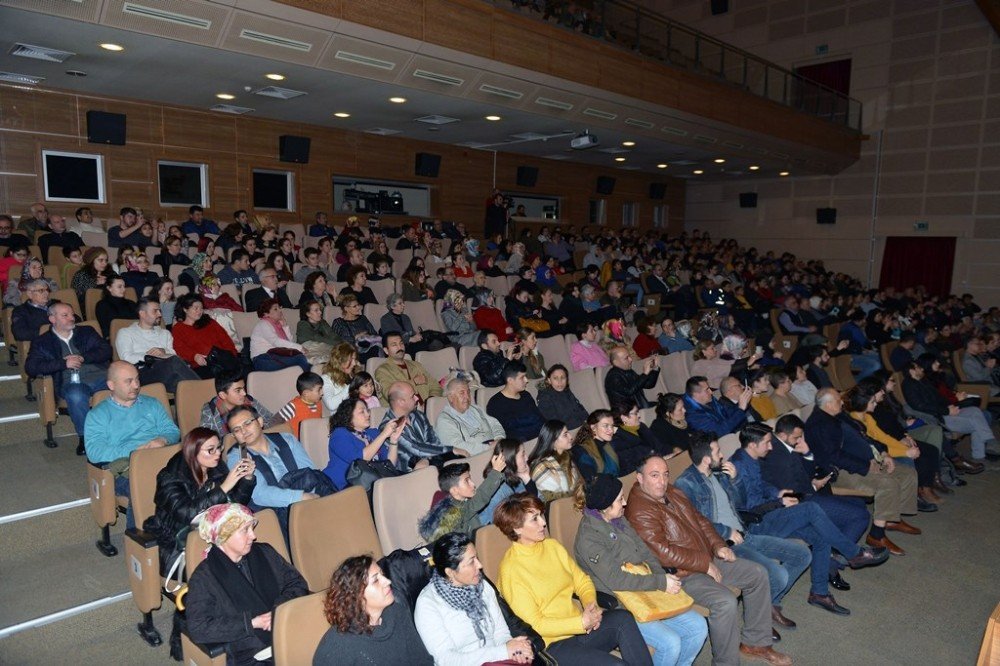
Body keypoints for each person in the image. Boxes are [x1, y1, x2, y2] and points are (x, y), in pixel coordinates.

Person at [625, 454, 790, 666]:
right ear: (639, 478)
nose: (662, 481)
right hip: (680, 574)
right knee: (725, 602)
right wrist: (704, 564)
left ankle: (755, 643)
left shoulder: (671, 491)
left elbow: (700, 520)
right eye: (654, 476)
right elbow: (662, 553)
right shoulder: (639, 509)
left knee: (757, 574)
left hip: (704, 558)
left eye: (665, 474)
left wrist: (718, 545)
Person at [723, 427, 888, 617]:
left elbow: (761, 486)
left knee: (821, 537)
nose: (770, 447)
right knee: (810, 509)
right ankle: (854, 553)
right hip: (758, 523)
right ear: (752, 445)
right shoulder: (738, 465)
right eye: (767, 443)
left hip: (771, 512)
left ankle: (819, 593)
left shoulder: (750, 458)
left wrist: (777, 493)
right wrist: (778, 502)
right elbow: (746, 506)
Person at [494, 493, 653, 665]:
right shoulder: (511, 571)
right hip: (552, 645)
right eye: (535, 519)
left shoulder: (551, 546)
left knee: (623, 619)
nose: (543, 522)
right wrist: (580, 622)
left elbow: (581, 581)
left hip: (580, 630)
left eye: (541, 514)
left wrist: (590, 605)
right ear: (517, 528)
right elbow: (535, 625)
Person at [573, 474, 708, 666]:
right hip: (623, 601)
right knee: (670, 643)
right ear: (605, 507)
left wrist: (662, 578)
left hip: (645, 587)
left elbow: (644, 552)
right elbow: (616, 580)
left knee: (698, 626)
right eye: (620, 499)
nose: (625, 503)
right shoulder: (589, 538)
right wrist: (660, 583)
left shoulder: (617, 520)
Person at [185, 503, 309, 665]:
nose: (253, 536)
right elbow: (199, 628)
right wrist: (251, 623)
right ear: (224, 536)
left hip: (288, 630)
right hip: (249, 652)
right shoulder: (204, 578)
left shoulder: (265, 552)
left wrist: (279, 610)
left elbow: (297, 583)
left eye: (252, 528)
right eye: (245, 530)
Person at [805, 388, 919, 557]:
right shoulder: (819, 424)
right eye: (838, 400)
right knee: (888, 484)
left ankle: (891, 518)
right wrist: (865, 466)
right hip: (839, 472)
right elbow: (833, 457)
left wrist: (883, 452)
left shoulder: (839, 415)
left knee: (907, 473)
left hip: (863, 461)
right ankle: (876, 535)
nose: (842, 402)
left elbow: (864, 435)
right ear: (828, 405)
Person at [143, 428, 255, 573]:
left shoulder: (216, 467)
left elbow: (235, 506)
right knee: (228, 569)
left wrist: (247, 479)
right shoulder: (170, 478)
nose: (218, 453)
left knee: (252, 558)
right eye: (210, 450)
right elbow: (187, 514)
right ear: (193, 451)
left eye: (219, 447)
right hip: (175, 544)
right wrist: (224, 488)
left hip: (212, 534)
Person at [415, 532, 535, 665]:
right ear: (450, 572)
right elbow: (446, 660)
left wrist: (515, 650)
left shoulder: (482, 586)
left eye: (477, 558)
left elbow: (501, 633)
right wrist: (502, 652)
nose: (479, 565)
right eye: (471, 561)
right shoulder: (428, 604)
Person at [763, 415, 872, 560]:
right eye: (797, 437)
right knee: (861, 516)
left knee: (859, 503)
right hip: (800, 502)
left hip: (807, 492)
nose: (800, 440)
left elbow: (805, 473)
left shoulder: (786, 445)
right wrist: (814, 486)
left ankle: (835, 544)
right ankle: (834, 559)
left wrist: (807, 454)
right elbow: (793, 491)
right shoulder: (777, 455)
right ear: (783, 435)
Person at [83, 361, 181, 522]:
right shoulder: (98, 415)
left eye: (137, 379)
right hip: (124, 466)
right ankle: (141, 538)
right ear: (111, 385)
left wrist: (162, 439)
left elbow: (172, 431)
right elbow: (95, 452)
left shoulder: (152, 404)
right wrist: (135, 449)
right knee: (143, 485)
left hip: (159, 457)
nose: (135, 385)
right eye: (128, 381)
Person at [313, 554, 433, 665]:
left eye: (383, 575)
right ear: (356, 596)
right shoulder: (337, 647)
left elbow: (422, 661)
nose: (387, 581)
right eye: (376, 580)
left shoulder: (397, 613)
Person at [26, 302, 112, 454]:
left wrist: (83, 357)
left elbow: (106, 350)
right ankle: (86, 438)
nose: (71, 318)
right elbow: (31, 368)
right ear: (52, 319)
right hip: (71, 382)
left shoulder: (86, 332)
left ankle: (120, 432)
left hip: (99, 376)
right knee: (76, 395)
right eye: (65, 315)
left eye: (72, 314)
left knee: (121, 385)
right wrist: (63, 363)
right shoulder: (42, 342)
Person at [225, 406, 325, 516]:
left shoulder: (287, 439)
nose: (243, 431)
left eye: (247, 423)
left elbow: (309, 471)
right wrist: (302, 497)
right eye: (237, 430)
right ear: (234, 436)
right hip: (276, 511)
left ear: (260, 421)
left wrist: (314, 498)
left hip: (310, 499)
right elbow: (260, 495)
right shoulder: (238, 457)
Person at [115, 298, 198, 392]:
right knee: (175, 363)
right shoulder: (126, 332)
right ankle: (206, 394)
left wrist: (163, 352)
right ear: (142, 313)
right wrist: (150, 356)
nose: (160, 314)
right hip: (141, 373)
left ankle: (200, 398)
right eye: (155, 311)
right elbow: (126, 357)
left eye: (160, 311)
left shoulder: (165, 333)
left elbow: (173, 353)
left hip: (166, 373)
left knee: (181, 384)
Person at [419, 453, 506, 542]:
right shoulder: (452, 514)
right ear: (454, 490)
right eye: (467, 481)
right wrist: (495, 472)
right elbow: (480, 498)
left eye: (470, 479)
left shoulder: (457, 501)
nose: (473, 484)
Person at [324, 397, 403, 490]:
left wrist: (394, 440)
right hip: (342, 487)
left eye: (367, 411)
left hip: (372, 485)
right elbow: (361, 460)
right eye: (362, 412)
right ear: (348, 416)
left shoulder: (373, 433)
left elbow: (390, 465)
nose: (368, 414)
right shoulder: (339, 434)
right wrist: (384, 434)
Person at [381, 381, 464, 470]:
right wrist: (451, 449)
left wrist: (427, 458)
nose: (417, 398)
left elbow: (433, 441)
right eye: (412, 396)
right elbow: (415, 448)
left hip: (430, 462)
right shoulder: (388, 427)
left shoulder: (419, 415)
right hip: (407, 474)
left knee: (460, 460)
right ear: (401, 402)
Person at [171, 294, 240, 378]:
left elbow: (226, 340)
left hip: (223, 360)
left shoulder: (209, 322)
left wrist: (232, 355)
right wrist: (194, 356)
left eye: (201, 308)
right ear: (185, 309)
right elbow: (179, 348)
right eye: (196, 308)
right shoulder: (178, 328)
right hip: (201, 365)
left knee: (240, 369)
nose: (199, 311)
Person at [435, 377, 506, 456]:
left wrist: (499, 439)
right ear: (451, 397)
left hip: (495, 448)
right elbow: (458, 447)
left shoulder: (475, 409)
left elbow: (495, 424)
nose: (467, 397)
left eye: (468, 392)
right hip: (476, 457)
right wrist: (489, 448)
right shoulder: (444, 420)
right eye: (462, 393)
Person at [374, 331, 443, 404]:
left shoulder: (416, 365)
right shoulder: (382, 371)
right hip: (403, 413)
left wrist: (429, 403)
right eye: (394, 345)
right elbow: (391, 395)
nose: (399, 347)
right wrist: (414, 382)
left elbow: (436, 386)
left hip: (428, 410)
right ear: (386, 350)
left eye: (401, 343)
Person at [487, 361, 546, 442]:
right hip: (521, 446)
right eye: (522, 377)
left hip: (541, 440)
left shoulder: (526, 395)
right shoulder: (495, 404)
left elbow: (541, 420)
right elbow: (503, 433)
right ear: (510, 380)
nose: (526, 380)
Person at [200, 374, 277, 436]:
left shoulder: (249, 401)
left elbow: (270, 421)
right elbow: (206, 440)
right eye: (238, 390)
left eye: (243, 388)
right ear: (223, 395)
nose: (244, 393)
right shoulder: (210, 411)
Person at [611, 398, 673, 472]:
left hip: (659, 465)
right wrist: (659, 458)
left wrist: (673, 450)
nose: (639, 415)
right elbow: (633, 464)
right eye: (635, 413)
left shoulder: (641, 427)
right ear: (624, 418)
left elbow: (658, 446)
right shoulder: (617, 438)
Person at [249, 298, 311, 372]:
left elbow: (289, 343)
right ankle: (309, 381)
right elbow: (276, 342)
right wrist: (299, 348)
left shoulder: (277, 325)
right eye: (275, 309)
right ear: (266, 314)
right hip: (262, 359)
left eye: (279, 308)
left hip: (276, 355)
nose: (280, 310)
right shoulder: (263, 324)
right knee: (300, 359)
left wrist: (285, 326)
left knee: (305, 361)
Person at [528, 420, 582, 503]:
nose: (571, 437)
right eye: (565, 435)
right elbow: (554, 501)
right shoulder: (542, 468)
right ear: (553, 441)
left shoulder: (567, 456)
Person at [682, 376, 750, 438]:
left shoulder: (710, 400)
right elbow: (719, 432)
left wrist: (741, 405)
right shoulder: (693, 416)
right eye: (707, 390)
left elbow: (728, 413)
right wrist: (740, 409)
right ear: (696, 394)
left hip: (730, 435)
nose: (711, 392)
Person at [570, 409, 621, 481]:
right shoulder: (581, 450)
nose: (611, 430)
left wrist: (618, 430)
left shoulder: (609, 444)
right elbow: (591, 480)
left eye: (612, 426)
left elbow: (636, 441)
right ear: (593, 427)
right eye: (606, 426)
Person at [535, 363, 589, 430]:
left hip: (582, 428)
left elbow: (579, 408)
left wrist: (588, 421)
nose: (560, 382)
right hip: (566, 433)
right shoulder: (544, 397)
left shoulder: (567, 391)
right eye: (555, 378)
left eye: (563, 378)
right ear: (549, 380)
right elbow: (554, 424)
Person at [331, 293, 380, 362]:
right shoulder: (339, 322)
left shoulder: (363, 318)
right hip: (349, 352)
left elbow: (374, 334)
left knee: (375, 347)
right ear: (346, 309)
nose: (358, 308)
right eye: (354, 306)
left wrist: (366, 337)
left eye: (358, 305)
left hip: (368, 349)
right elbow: (335, 342)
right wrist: (356, 338)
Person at [275, 371, 324, 439]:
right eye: (319, 390)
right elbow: (274, 423)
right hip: (298, 445)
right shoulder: (292, 406)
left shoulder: (319, 403)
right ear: (306, 393)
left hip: (315, 440)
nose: (322, 393)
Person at [11, 279, 53, 343]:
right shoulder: (21, 311)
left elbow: (72, 318)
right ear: (30, 294)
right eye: (41, 290)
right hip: (43, 343)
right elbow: (19, 333)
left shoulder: (56, 304)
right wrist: (45, 331)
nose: (46, 293)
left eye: (47, 290)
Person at [319, 342, 357, 414]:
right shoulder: (326, 379)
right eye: (351, 360)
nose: (354, 363)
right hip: (341, 420)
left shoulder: (354, 374)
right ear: (340, 361)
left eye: (355, 359)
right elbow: (331, 405)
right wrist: (352, 385)